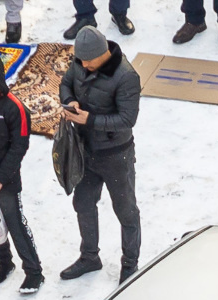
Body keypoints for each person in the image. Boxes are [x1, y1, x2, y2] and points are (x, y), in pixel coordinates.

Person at [55, 25, 141, 279]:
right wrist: (70, 101)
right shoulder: (81, 62)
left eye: (88, 61)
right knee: (82, 203)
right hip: (85, 150)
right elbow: (66, 83)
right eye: (80, 60)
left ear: (102, 53)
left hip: (116, 154)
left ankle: (130, 263)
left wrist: (89, 120)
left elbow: (127, 119)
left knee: (126, 210)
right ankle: (90, 257)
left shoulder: (126, 76)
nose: (83, 65)